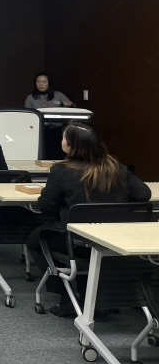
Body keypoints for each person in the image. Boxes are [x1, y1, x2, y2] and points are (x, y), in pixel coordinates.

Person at [26, 121, 151, 317]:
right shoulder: (114, 166)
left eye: (64, 137)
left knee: (35, 240)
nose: (61, 140)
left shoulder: (61, 171)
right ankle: (92, 295)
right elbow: (144, 194)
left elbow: (46, 207)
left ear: (71, 145)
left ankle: (67, 297)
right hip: (113, 240)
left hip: (75, 243)